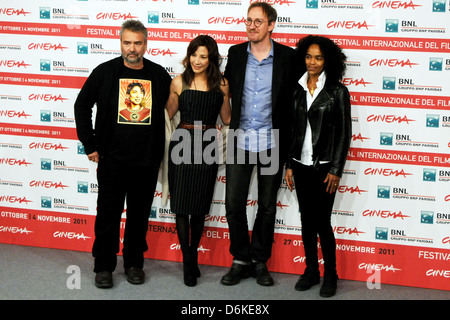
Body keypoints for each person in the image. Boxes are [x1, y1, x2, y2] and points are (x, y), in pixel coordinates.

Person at [74, 20, 172, 288]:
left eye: (137, 43)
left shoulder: (158, 75)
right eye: (127, 42)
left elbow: (170, 110)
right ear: (120, 43)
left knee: (139, 215)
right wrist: (90, 144)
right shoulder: (104, 72)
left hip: (146, 161)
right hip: (111, 160)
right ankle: (103, 266)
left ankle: (133, 263)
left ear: (145, 44)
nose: (132, 48)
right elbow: (82, 105)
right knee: (108, 214)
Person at [221, 2, 295, 287]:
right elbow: (228, 91)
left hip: (272, 143)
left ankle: (260, 260)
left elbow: (293, 107)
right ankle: (240, 259)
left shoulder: (288, 57)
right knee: (233, 204)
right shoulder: (236, 54)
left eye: (258, 21)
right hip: (241, 139)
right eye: (248, 21)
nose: (251, 26)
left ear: (271, 25)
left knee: (266, 206)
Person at [284, 35, 352, 298]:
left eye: (319, 57)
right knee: (305, 220)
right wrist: (289, 164)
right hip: (300, 165)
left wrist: (336, 169)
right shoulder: (297, 88)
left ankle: (331, 274)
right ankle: (311, 270)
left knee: (322, 222)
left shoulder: (337, 91)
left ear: (328, 60)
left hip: (325, 169)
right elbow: (292, 131)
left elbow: (345, 134)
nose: (312, 62)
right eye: (309, 56)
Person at [165, 35, 231, 287]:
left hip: (207, 148)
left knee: (200, 207)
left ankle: (191, 255)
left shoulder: (222, 85)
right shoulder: (179, 82)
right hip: (181, 146)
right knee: (181, 205)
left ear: (211, 59)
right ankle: (189, 260)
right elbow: (166, 115)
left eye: (203, 56)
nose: (197, 60)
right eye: (194, 54)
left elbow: (226, 120)